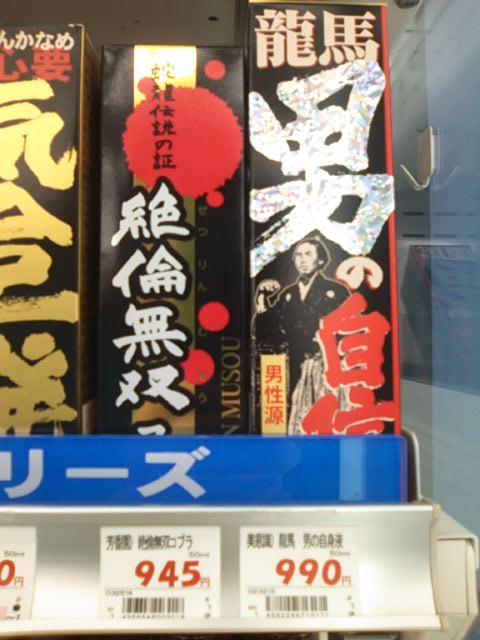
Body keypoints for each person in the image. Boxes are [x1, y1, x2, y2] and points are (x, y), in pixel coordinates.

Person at [254, 235, 350, 433]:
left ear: (320, 260)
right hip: (293, 361)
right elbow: (271, 327)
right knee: (292, 414)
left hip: (324, 364)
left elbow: (349, 330)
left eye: (308, 254)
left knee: (324, 416)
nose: (302, 260)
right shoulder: (288, 293)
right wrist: (262, 301)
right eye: (298, 255)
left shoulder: (336, 291)